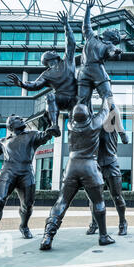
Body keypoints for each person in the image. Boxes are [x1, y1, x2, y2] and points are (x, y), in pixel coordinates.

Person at [0, 115, 53, 251]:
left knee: (28, 205)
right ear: (11, 126)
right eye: (18, 119)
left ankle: (23, 225)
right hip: (8, 172)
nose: (22, 119)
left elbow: (47, 135)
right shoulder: (4, 141)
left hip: (26, 172)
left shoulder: (32, 135)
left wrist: (50, 123)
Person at [40, 98, 115, 250]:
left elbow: (69, 109)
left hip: (72, 167)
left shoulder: (70, 125)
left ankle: (47, 236)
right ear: (89, 115)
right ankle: (103, 236)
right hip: (90, 167)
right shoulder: (95, 124)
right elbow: (105, 110)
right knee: (98, 202)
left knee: (61, 202)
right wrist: (106, 98)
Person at [7, 11, 77, 137]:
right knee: (50, 96)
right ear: (48, 59)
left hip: (77, 97)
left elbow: (71, 43)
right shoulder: (46, 74)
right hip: (63, 99)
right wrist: (22, 84)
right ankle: (54, 126)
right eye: (51, 51)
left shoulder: (67, 61)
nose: (54, 50)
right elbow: (35, 85)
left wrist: (66, 25)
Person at [77, 0, 128, 144]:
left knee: (109, 101)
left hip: (98, 71)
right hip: (84, 72)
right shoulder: (91, 37)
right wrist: (87, 9)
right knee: (82, 103)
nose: (111, 29)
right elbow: (85, 25)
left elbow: (112, 54)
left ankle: (121, 131)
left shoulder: (109, 45)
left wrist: (117, 52)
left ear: (112, 37)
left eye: (114, 31)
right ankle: (85, 130)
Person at [86, 114, 127, 236]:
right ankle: (95, 223)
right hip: (96, 166)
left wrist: (123, 134)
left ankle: (123, 223)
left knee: (117, 196)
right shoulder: (92, 127)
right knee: (93, 199)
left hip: (111, 164)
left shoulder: (112, 123)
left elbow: (115, 110)